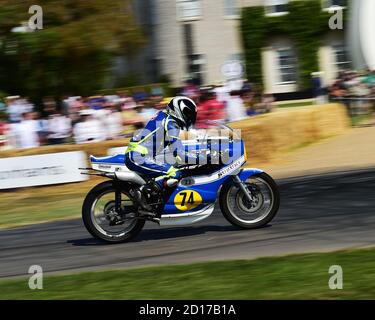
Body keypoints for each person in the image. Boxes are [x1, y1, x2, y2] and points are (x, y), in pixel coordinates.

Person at [124, 96, 201, 218]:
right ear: (179, 110)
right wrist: (201, 157)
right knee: (175, 173)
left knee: (170, 168)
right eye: (188, 113)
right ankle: (140, 193)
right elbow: (179, 154)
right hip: (139, 157)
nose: (190, 117)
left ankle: (153, 200)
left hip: (141, 155)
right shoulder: (171, 123)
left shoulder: (164, 116)